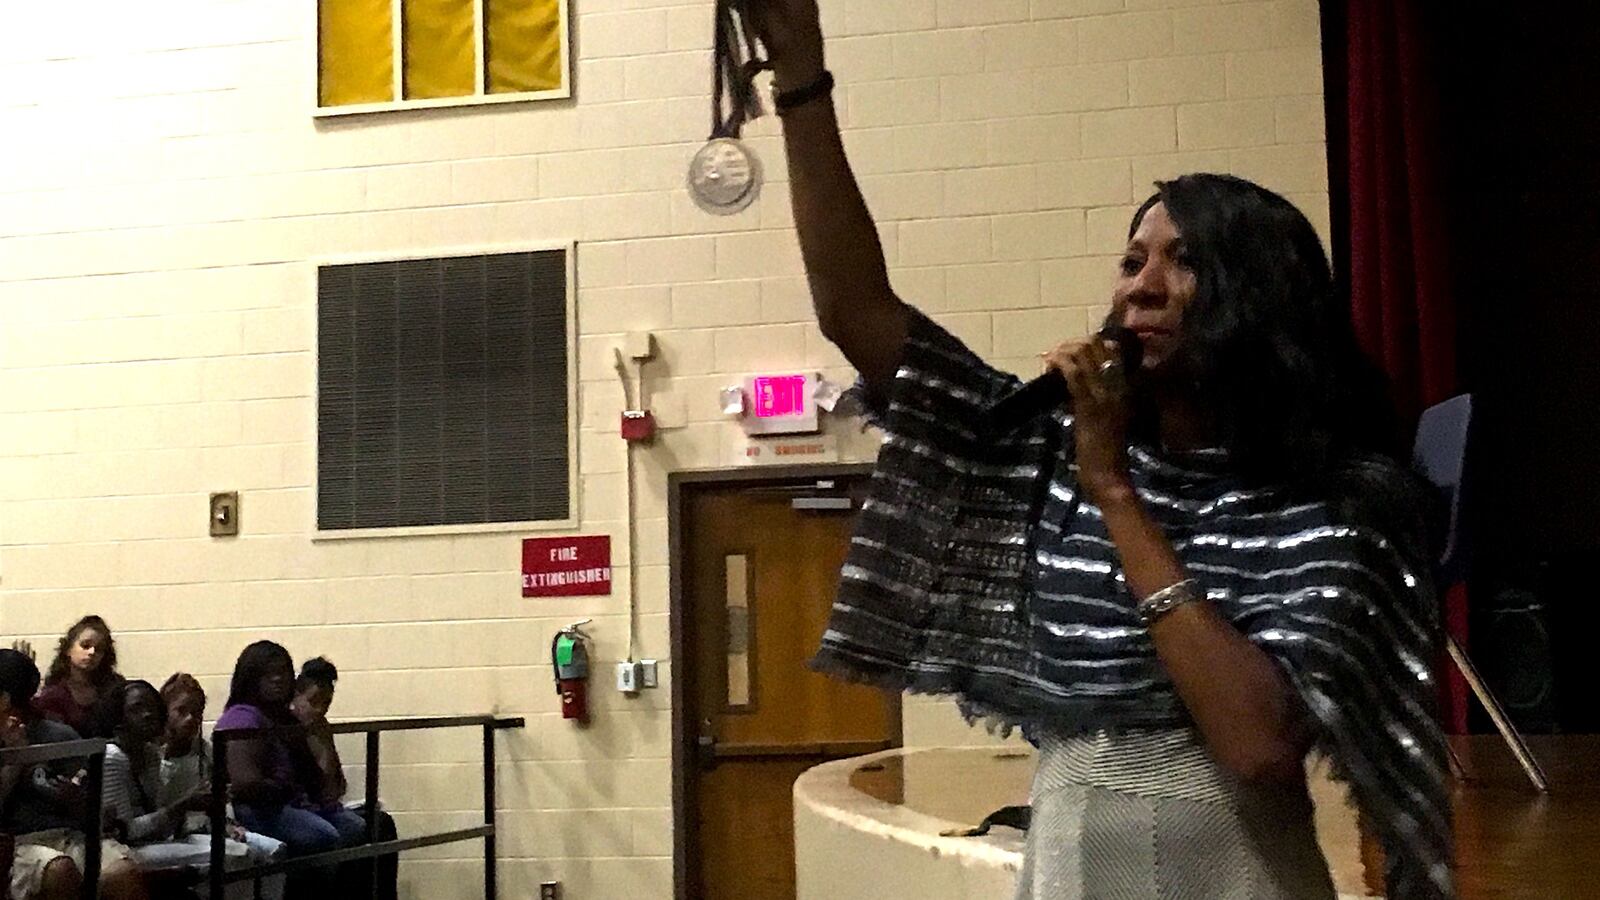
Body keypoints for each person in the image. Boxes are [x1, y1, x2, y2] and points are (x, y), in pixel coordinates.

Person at [748, 4, 1454, 898]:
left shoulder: (1329, 502)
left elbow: (1255, 743)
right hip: (1068, 862)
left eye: (1182, 262)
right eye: (1130, 262)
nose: (1142, 288)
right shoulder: (1044, 445)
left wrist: (1114, 490)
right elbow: (855, 310)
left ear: (1262, 299)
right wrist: (803, 77)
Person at [101, 680, 284, 900]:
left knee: (268, 852)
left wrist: (214, 813)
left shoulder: (149, 753)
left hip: (161, 839)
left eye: (152, 708)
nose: (148, 714)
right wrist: (184, 805)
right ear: (118, 717)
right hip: (122, 852)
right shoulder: (113, 757)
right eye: (137, 709)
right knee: (237, 855)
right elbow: (123, 833)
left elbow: (161, 823)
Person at [214, 643, 364, 895]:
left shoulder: (285, 718)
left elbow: (319, 784)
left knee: (356, 827)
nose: (278, 679)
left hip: (288, 802)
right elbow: (246, 786)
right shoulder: (242, 717)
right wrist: (286, 787)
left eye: (283, 672)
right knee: (322, 836)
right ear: (251, 677)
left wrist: (323, 741)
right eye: (268, 673)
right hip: (254, 809)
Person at [0, 649, 146, 900]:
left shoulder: (61, 737)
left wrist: (76, 798)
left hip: (69, 834)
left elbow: (94, 811)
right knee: (60, 870)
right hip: (18, 843)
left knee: (122, 872)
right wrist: (15, 758)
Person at [292, 658, 397, 900]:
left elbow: (337, 786)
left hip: (322, 807)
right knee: (353, 831)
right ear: (296, 696)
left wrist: (325, 745)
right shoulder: (285, 729)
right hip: (299, 809)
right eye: (313, 701)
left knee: (382, 824)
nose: (319, 710)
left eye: (326, 704)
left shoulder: (321, 729)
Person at [34, 616, 124, 738]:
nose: (92, 652)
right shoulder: (54, 694)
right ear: (68, 649)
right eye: (85, 646)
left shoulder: (115, 688)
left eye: (99, 649)